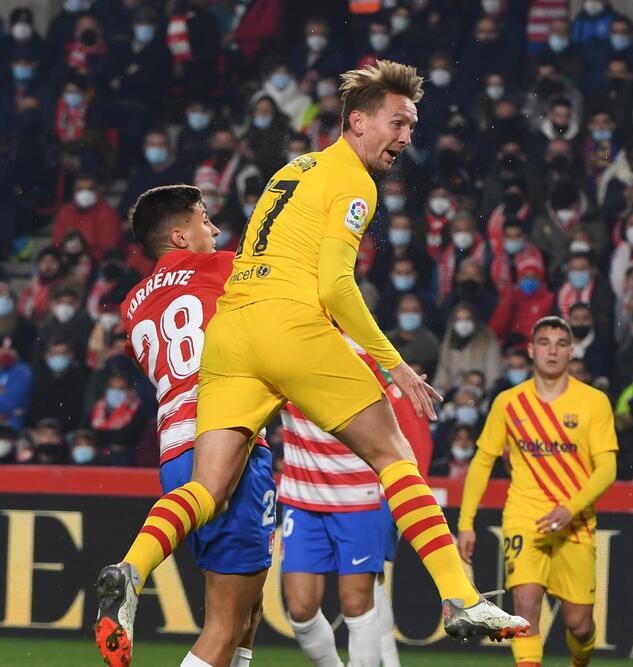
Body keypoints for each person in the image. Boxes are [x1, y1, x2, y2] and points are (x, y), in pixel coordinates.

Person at [96, 62, 529, 667]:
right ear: (357, 121)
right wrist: (394, 362)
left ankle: (131, 569)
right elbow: (334, 285)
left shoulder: (291, 169)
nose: (406, 136)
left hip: (233, 337)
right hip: (289, 324)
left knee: (207, 487)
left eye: (412, 125)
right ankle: (460, 598)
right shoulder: (355, 181)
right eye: (397, 122)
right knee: (394, 455)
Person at [93, 185, 272, 667]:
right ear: (179, 235)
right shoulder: (222, 266)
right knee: (223, 626)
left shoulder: (132, 304)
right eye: (204, 219)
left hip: (173, 449)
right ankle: (132, 572)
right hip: (227, 434)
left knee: (248, 609)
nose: (213, 229)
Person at [458, 316, 618, 667]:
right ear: (531, 350)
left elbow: (607, 468)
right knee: (525, 609)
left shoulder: (593, 402)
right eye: (544, 343)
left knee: (579, 625)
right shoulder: (509, 402)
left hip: (574, 524)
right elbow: (483, 461)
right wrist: (466, 522)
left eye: (561, 344)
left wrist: (570, 508)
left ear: (571, 352)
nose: (552, 351)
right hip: (524, 518)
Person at [281, 340, 432, 667]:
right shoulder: (282, 344)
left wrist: (404, 491)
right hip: (312, 493)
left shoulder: (367, 355)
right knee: (368, 590)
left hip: (372, 493)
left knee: (365, 593)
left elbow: (412, 431)